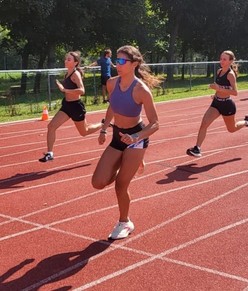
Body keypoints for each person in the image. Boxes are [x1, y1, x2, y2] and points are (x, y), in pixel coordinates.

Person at [91, 45, 160, 240]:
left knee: (121, 185)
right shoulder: (112, 84)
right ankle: (132, 162)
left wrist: (136, 138)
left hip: (136, 139)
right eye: (116, 61)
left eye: (122, 61)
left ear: (134, 64)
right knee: (98, 182)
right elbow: (112, 107)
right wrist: (104, 128)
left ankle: (125, 222)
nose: (117, 65)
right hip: (117, 136)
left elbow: (155, 124)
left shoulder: (141, 90)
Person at [186, 50, 248, 157]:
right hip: (216, 103)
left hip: (227, 105)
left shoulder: (230, 75)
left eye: (224, 59)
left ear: (230, 61)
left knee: (231, 129)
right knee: (204, 123)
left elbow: (235, 92)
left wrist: (219, 88)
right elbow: (220, 87)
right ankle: (197, 148)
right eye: (221, 58)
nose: (222, 61)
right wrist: (216, 93)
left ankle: (247, 122)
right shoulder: (219, 71)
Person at [39, 51, 102, 162]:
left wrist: (64, 90)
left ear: (75, 63)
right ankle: (50, 153)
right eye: (66, 59)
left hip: (76, 107)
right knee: (51, 126)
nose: (66, 61)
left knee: (84, 132)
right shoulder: (67, 73)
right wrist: (64, 88)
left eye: (69, 59)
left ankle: (102, 124)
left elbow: (82, 90)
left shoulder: (75, 74)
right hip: (67, 106)